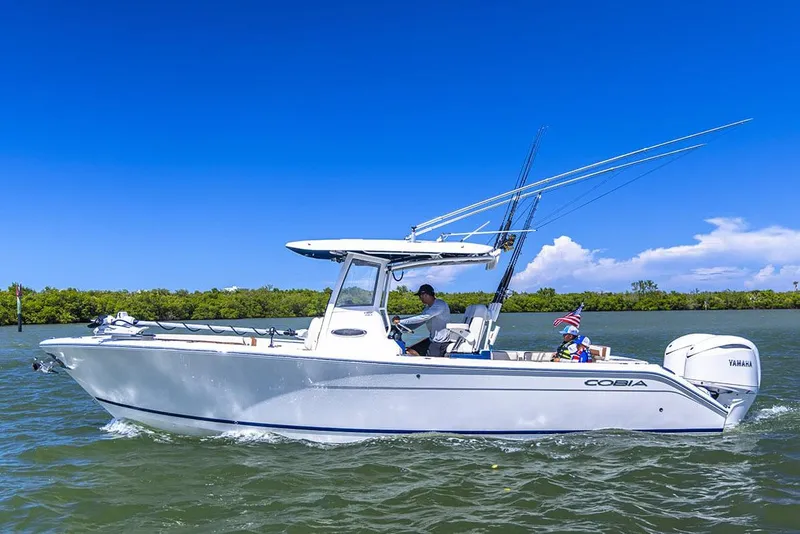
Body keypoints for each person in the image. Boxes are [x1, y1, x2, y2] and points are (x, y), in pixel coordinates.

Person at [392, 284, 451, 357]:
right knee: (410, 351)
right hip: (431, 340)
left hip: (440, 343)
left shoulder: (439, 304)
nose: (420, 298)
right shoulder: (428, 308)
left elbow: (422, 317)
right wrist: (401, 326)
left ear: (425, 295)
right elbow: (419, 322)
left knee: (429, 363)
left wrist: (400, 321)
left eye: (420, 296)